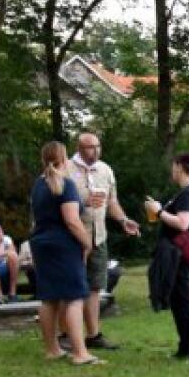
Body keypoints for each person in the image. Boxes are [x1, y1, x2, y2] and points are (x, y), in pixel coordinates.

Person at [30, 141, 99, 365]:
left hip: (41, 244)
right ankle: (80, 353)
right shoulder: (65, 184)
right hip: (63, 246)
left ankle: (53, 350)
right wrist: (87, 242)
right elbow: (71, 220)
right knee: (74, 298)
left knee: (49, 298)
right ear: (63, 158)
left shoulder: (38, 185)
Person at [69, 132, 141, 350]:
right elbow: (57, 202)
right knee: (71, 288)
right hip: (73, 237)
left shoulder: (105, 170)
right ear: (79, 148)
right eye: (90, 147)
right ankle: (67, 335)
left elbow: (112, 202)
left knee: (94, 287)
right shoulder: (66, 169)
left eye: (98, 146)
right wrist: (84, 201)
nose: (96, 151)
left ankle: (93, 335)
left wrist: (123, 220)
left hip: (98, 237)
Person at [143, 152, 189, 364]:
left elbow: (183, 223)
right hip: (182, 250)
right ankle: (186, 346)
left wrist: (159, 211)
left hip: (179, 252)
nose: (172, 171)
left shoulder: (188, 193)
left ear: (180, 167)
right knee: (177, 300)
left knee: (184, 301)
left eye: (173, 166)